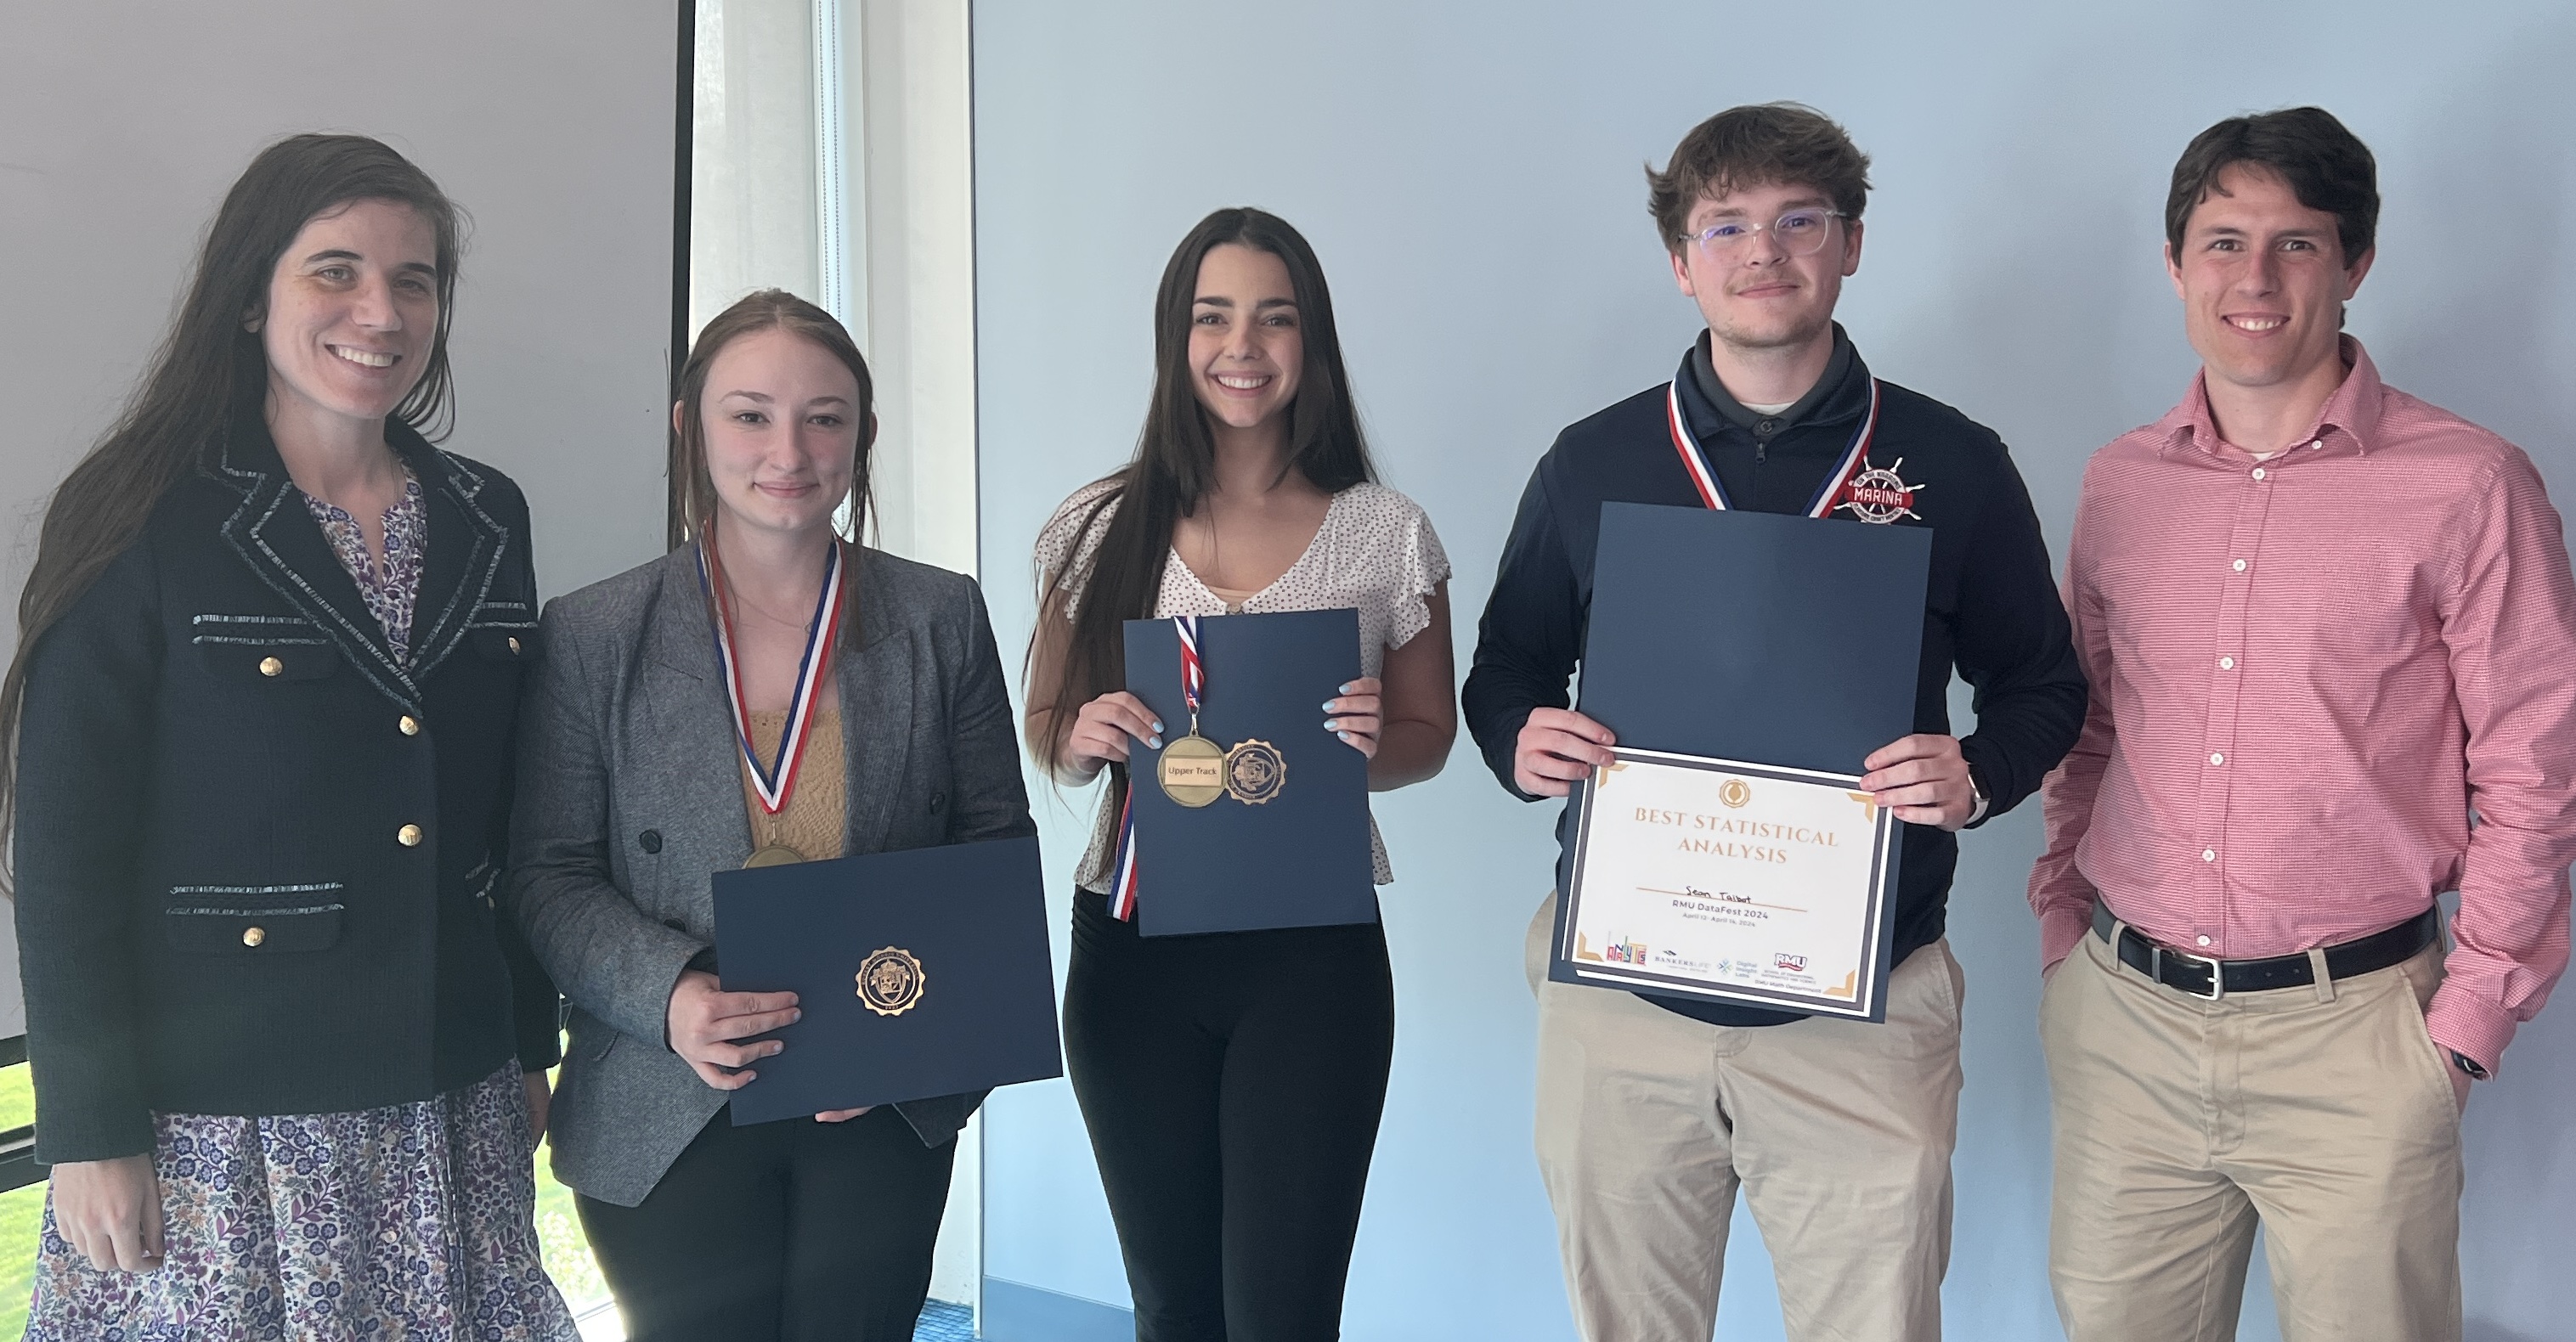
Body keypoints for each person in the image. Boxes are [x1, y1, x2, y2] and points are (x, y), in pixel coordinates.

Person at [1462, 103, 2087, 1342]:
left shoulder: (1948, 463)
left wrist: (1975, 774)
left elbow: (2046, 688)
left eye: (1801, 220)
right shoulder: (1595, 463)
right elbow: (1508, 665)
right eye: (1728, 225)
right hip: (1624, 1006)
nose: (1765, 251)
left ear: (1851, 243)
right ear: (1681, 260)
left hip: (1862, 1008)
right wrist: (1520, 740)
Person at [2, 133, 573, 1339]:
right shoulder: (141, 510)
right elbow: (63, 852)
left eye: (414, 280)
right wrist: (89, 1126)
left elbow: (507, 821)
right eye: (336, 271)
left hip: (446, 1093)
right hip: (223, 1117)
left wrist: (526, 1036)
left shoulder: (485, 512)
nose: (381, 310)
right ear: (252, 290)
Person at [2027, 106, 2576, 1342]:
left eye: (2296, 244)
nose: (2255, 280)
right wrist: (2063, 932)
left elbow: (2538, 773)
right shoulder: (2122, 483)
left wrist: (2466, 1026)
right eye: (2223, 242)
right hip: (2127, 1028)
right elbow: (2092, 731)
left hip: (2359, 1042)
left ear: (2355, 263)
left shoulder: (2471, 484)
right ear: (2176, 267)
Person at [509, 289, 1033, 1341]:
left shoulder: (940, 615)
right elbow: (546, 870)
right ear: (688, 426)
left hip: (878, 1089)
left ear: (862, 435)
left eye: (824, 417)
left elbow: (995, 853)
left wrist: (912, 1046)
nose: (787, 448)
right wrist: (669, 997)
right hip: (665, 1094)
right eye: (749, 413)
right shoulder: (592, 632)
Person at [1024, 206, 1456, 1340]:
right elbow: (1044, 722)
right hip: (1131, 952)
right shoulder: (1097, 524)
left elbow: (1429, 736)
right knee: (1173, 1308)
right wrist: (1084, 733)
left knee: (1285, 1312)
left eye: (1275, 317)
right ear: (1176, 340)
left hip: (1311, 957)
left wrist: (1374, 741)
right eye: (1213, 317)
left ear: (1310, 340)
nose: (1244, 346)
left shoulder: (1385, 531)